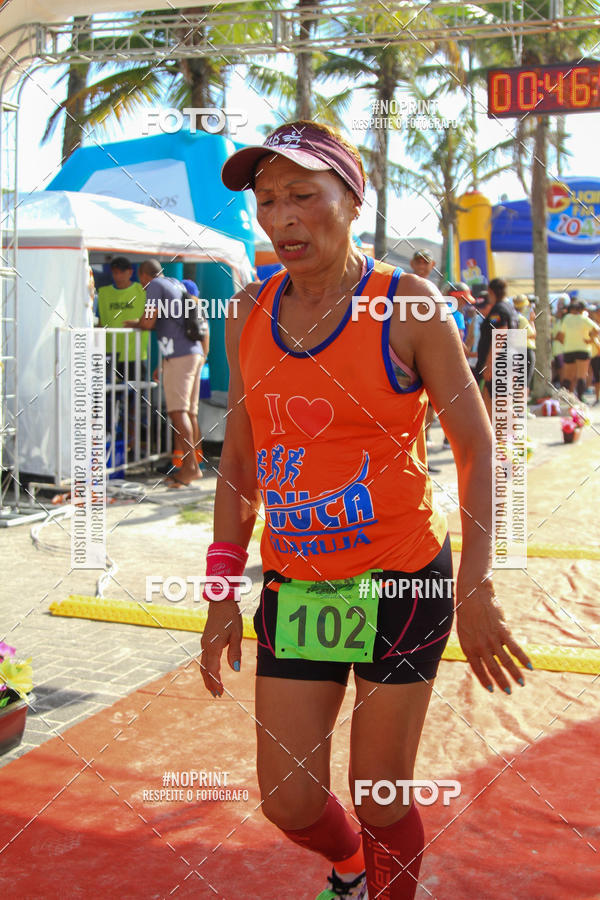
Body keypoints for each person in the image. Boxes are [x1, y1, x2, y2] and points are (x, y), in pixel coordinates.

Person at [199, 121, 532, 900]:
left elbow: (481, 453)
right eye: (268, 199)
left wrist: (477, 585)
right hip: (300, 588)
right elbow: (241, 461)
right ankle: (352, 872)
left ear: (352, 202)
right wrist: (220, 590)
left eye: (304, 197)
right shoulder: (250, 309)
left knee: (381, 795)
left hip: (402, 583)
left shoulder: (410, 308)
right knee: (288, 800)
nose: (283, 217)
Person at [123, 259, 209, 487]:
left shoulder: (154, 286)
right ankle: (192, 466)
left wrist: (132, 323)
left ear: (143, 275)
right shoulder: (176, 284)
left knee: (178, 412)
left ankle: (190, 468)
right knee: (189, 413)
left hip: (180, 355)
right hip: (193, 352)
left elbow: (148, 322)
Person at [96, 256, 149, 381]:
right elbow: (99, 321)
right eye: (115, 273)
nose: (118, 277)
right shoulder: (103, 293)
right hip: (110, 352)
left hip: (134, 353)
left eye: (121, 273)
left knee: (135, 394)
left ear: (130, 272)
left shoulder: (142, 291)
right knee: (109, 394)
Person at [475, 277, 519, 420]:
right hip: (507, 359)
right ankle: (494, 439)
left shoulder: (498, 309)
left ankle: (517, 437)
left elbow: (500, 335)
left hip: (500, 362)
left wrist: (489, 364)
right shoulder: (510, 309)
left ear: (490, 291)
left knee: (502, 403)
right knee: (488, 400)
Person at [556, 299, 600, 400]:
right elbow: (597, 329)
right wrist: (590, 339)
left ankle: (566, 399)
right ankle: (580, 399)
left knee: (568, 376)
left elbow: (561, 335)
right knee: (581, 375)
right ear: (582, 310)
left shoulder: (566, 318)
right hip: (583, 349)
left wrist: (566, 342)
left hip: (568, 349)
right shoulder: (583, 318)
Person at [513, 294, 536, 395]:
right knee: (524, 382)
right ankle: (522, 408)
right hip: (525, 349)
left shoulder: (511, 316)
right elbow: (532, 335)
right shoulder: (521, 319)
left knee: (516, 380)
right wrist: (532, 321)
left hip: (514, 349)